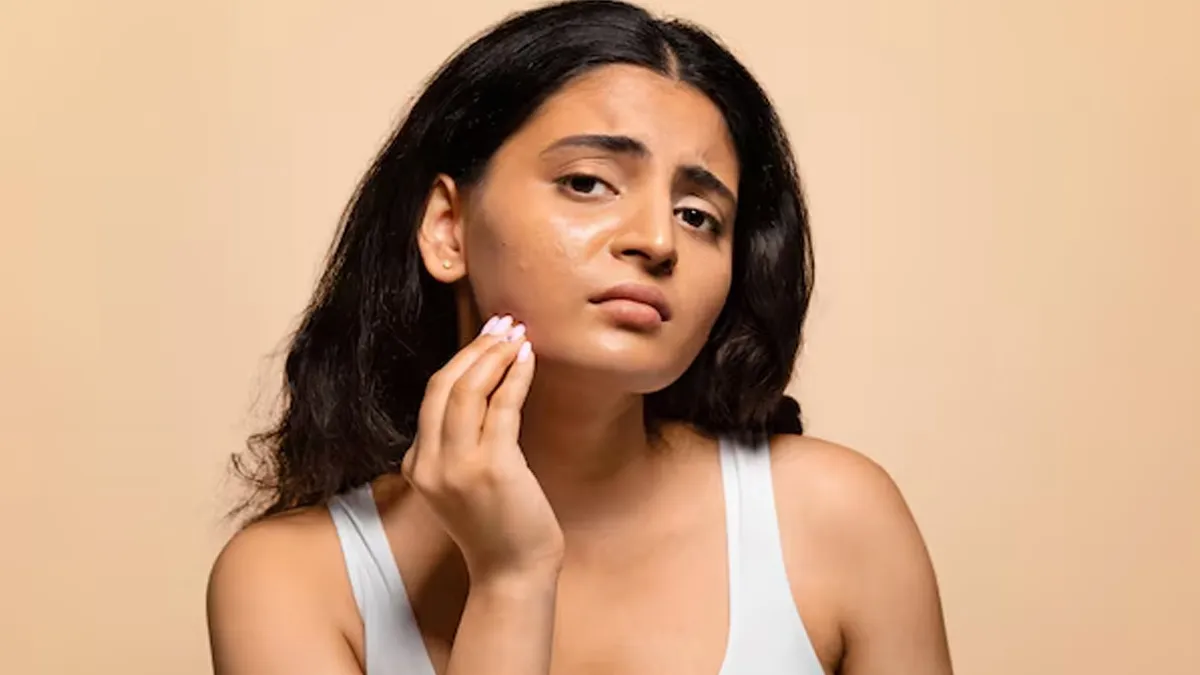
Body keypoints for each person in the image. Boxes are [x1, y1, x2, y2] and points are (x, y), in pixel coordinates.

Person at [206, 1, 953, 673]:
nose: (657, 239)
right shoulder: (292, 582)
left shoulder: (835, 520)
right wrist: (511, 579)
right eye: (588, 183)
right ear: (448, 228)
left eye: (698, 216)